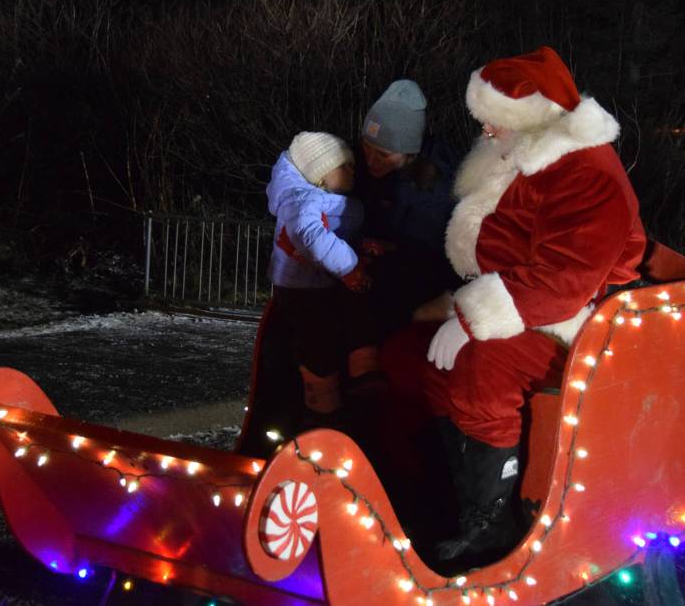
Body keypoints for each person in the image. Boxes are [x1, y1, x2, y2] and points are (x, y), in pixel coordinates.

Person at [387, 46, 647, 568]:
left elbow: (563, 280)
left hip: (576, 321)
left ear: (532, 117)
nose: (485, 132)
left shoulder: (586, 173)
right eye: (483, 120)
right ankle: (452, 497)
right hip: (520, 302)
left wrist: (470, 317)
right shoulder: (524, 157)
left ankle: (492, 527)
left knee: (482, 371)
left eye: (493, 121)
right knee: (411, 356)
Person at [266, 131, 380, 430]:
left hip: (321, 285)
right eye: (345, 166)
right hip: (301, 291)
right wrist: (350, 266)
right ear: (320, 173)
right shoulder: (302, 202)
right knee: (317, 347)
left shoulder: (326, 199)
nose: (354, 172)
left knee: (334, 332)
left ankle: (360, 370)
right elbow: (309, 236)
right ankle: (322, 413)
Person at [355, 79, 463, 338]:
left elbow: (428, 256)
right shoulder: (363, 171)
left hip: (422, 287)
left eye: (383, 155)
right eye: (366, 149)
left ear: (410, 153)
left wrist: (387, 251)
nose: (371, 161)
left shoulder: (436, 186)